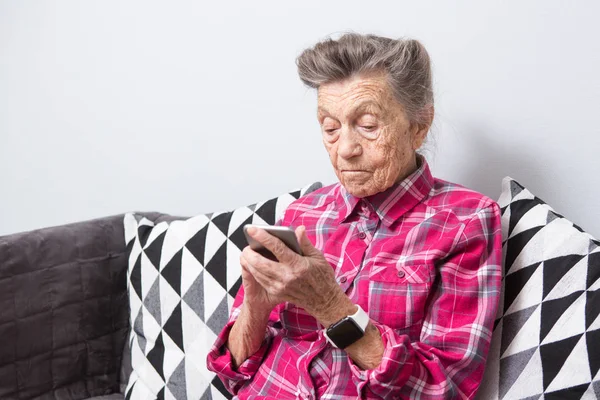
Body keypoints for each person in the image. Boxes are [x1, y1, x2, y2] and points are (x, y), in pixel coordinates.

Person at [207, 33, 503, 399]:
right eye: (330, 128)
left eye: (367, 125)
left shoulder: (466, 221)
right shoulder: (303, 213)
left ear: (419, 126)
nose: (345, 149)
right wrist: (255, 305)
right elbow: (234, 373)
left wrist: (330, 307)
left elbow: (443, 387)